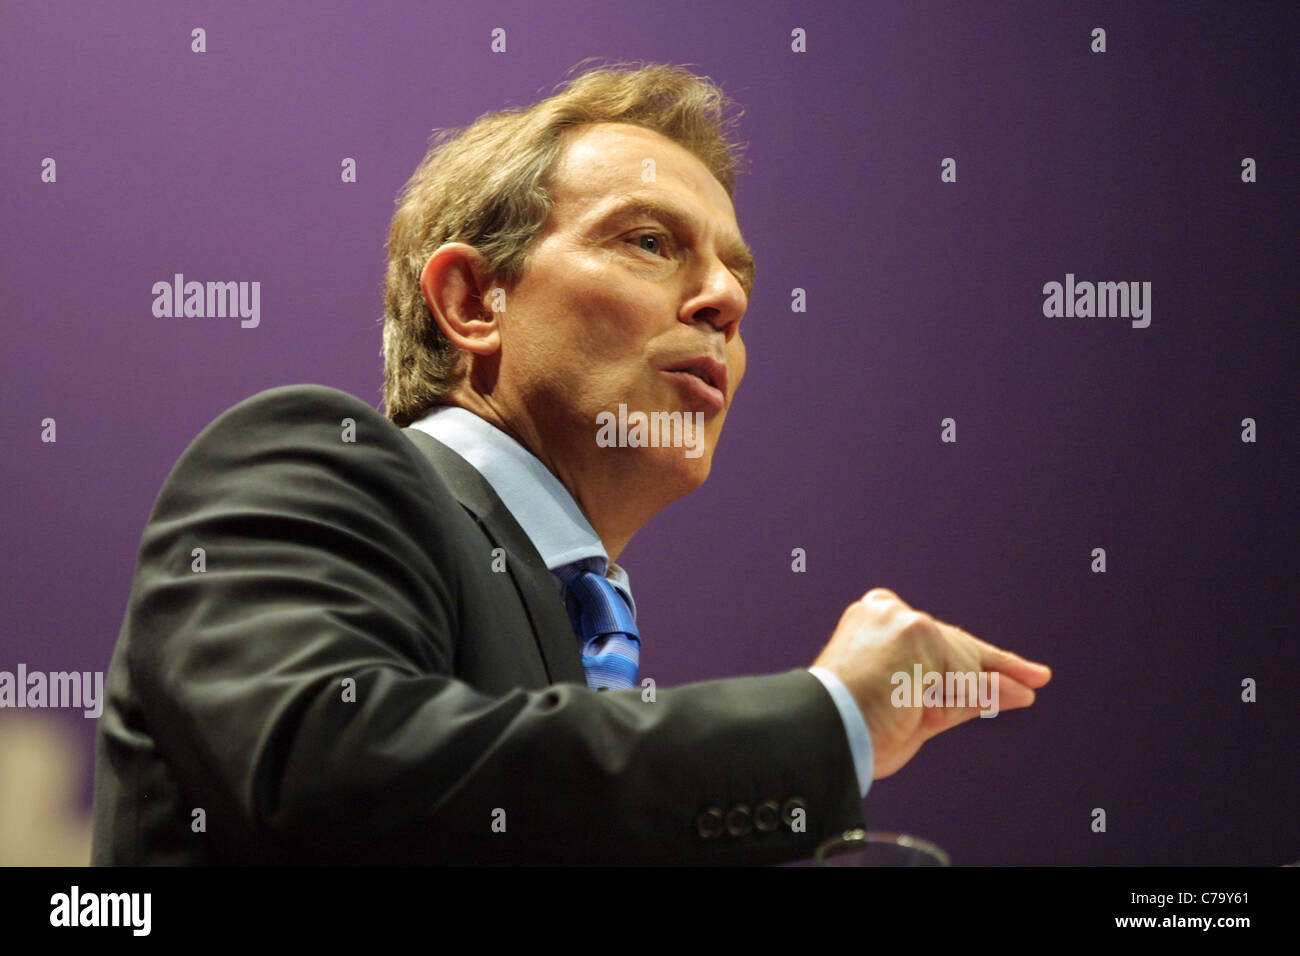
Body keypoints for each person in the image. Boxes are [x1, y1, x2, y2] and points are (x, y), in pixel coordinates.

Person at [91, 62, 1051, 865]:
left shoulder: (579, 627)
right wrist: (823, 717)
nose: (725, 300)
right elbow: (332, 781)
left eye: (737, 276)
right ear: (474, 300)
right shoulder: (308, 464)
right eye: (649, 242)